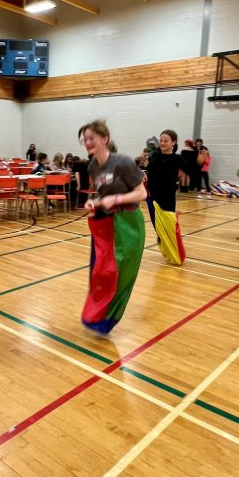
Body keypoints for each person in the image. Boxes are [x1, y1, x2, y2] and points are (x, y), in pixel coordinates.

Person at [79, 120, 147, 334]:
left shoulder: (123, 162)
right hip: (106, 225)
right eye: (85, 139)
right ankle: (97, 316)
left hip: (128, 225)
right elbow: (103, 193)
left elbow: (141, 194)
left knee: (119, 275)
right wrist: (95, 202)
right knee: (101, 272)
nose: (87, 143)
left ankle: (107, 318)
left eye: (91, 138)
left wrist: (117, 199)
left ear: (104, 139)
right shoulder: (92, 166)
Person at [144, 129, 186, 265]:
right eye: (161, 140)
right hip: (152, 197)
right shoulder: (154, 156)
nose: (162, 143)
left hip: (167, 198)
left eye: (166, 140)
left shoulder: (177, 158)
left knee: (169, 226)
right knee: (158, 227)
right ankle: (164, 245)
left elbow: (191, 169)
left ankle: (175, 252)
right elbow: (149, 172)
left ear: (173, 142)